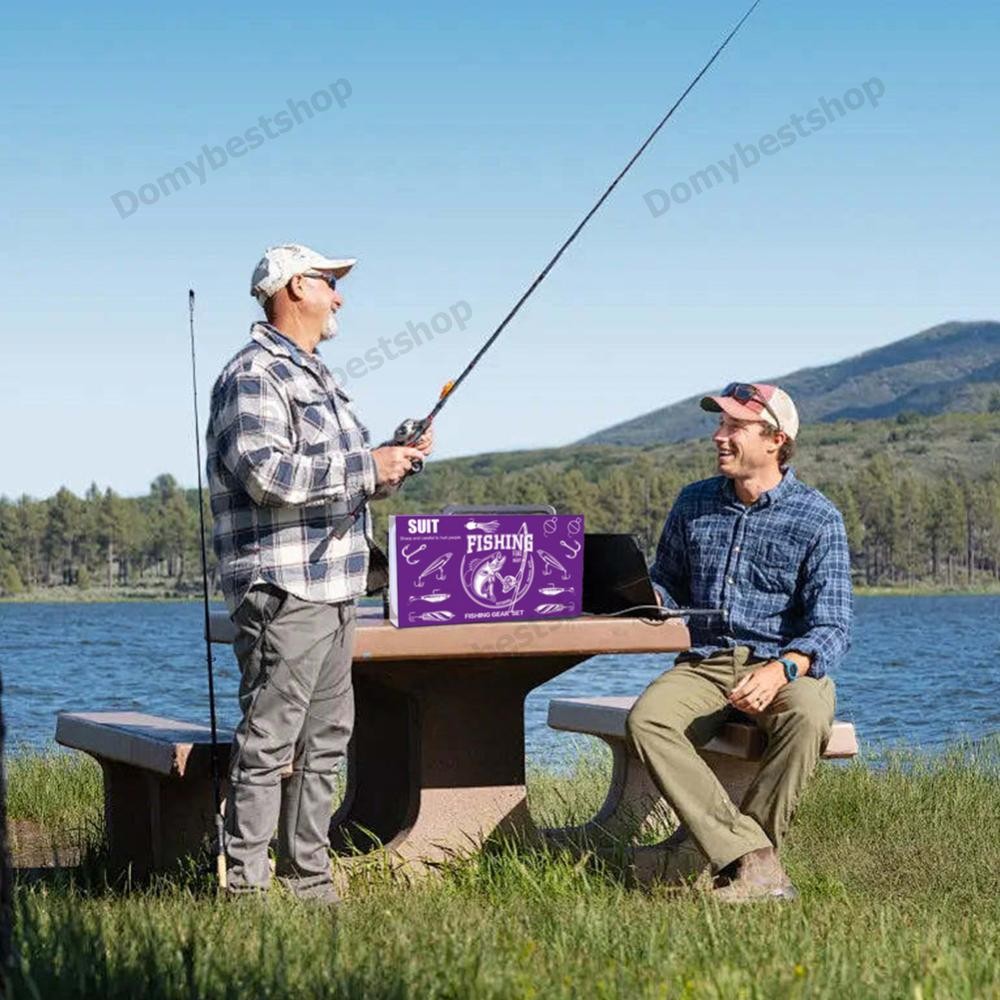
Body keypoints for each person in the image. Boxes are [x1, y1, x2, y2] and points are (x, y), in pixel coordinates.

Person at [206, 243, 431, 901]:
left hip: (336, 586)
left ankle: (310, 885)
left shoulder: (318, 376)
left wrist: (393, 460)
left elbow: (340, 482)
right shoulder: (254, 374)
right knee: (270, 742)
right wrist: (367, 464)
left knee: (328, 741)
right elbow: (265, 474)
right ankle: (245, 892)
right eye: (329, 282)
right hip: (285, 587)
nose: (339, 296)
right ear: (296, 287)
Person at [626, 382, 851, 902]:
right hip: (706, 662)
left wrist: (781, 670)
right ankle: (755, 859)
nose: (718, 436)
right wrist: (647, 595)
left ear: (775, 440)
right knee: (647, 721)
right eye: (719, 424)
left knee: (807, 716)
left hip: (786, 666)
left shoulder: (818, 518)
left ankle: (744, 866)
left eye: (734, 427)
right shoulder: (694, 502)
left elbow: (833, 626)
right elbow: (669, 582)